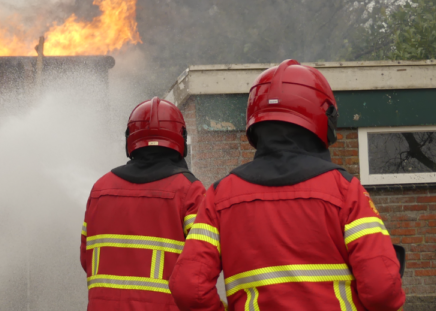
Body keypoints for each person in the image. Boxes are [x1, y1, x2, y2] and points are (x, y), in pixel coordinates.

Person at [169, 59, 405, 311]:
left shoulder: (220, 196)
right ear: (324, 118)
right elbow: (382, 290)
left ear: (255, 121)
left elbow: (187, 288)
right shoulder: (345, 190)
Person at [81, 97, 206, 310]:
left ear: (130, 139)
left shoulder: (100, 189)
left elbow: (86, 258)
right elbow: (202, 266)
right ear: (181, 139)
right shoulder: (189, 190)